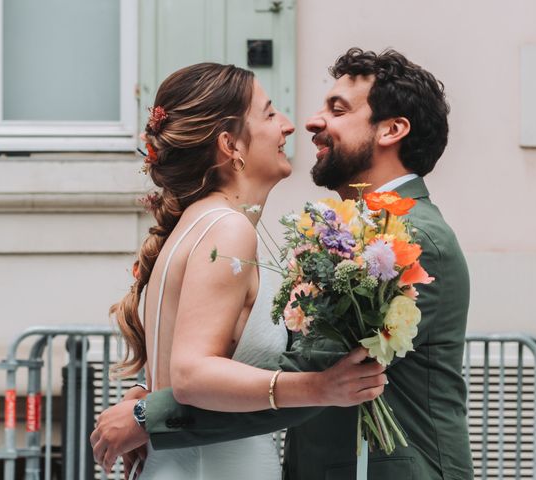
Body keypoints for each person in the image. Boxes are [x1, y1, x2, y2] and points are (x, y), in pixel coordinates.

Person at [92, 49, 473, 479]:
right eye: (271, 114)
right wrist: (153, 393)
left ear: (391, 130)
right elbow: (297, 375)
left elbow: (318, 374)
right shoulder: (316, 232)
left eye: (338, 109)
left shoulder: (410, 238)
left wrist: (150, 416)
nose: (307, 122)